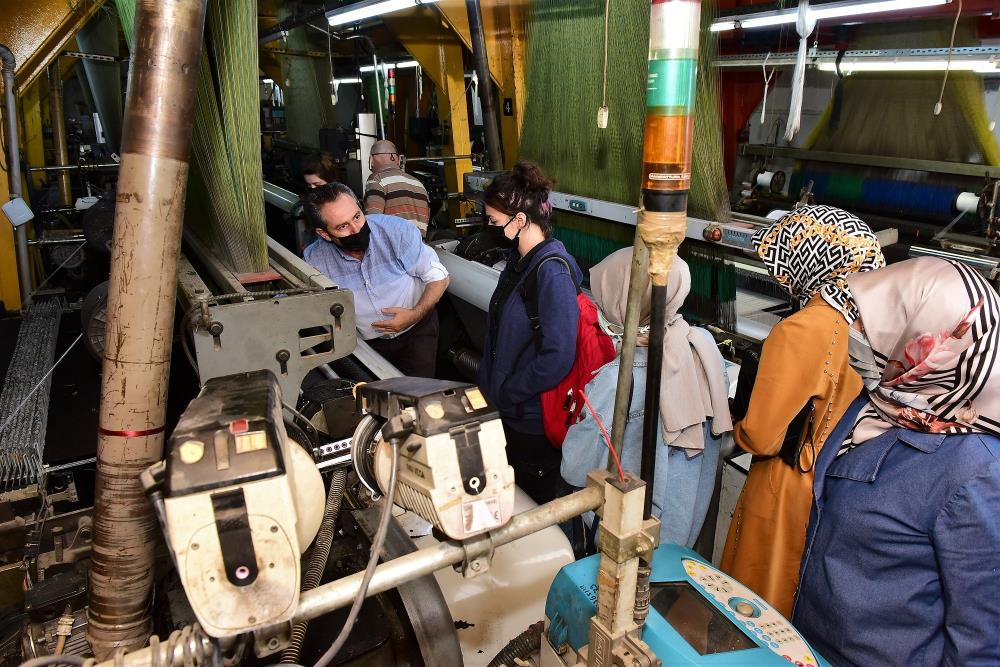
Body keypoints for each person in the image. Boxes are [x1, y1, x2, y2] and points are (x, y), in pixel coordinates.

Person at [793, 257, 1000, 665]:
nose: (855, 331)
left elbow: (982, 642)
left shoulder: (976, 472)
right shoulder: (880, 404)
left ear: (932, 344)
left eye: (873, 324)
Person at [719, 204, 885, 617]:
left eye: (786, 262)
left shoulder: (803, 328)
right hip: (836, 480)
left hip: (788, 485)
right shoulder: (870, 325)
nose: (783, 277)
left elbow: (761, 436)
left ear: (812, 261)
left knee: (758, 601)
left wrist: (732, 427)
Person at [561, 249, 734, 547]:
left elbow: (574, 467)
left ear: (624, 303)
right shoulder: (704, 345)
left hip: (629, 539)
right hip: (684, 532)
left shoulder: (616, 380)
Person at [477, 161, 581, 506]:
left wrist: (509, 392)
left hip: (531, 421)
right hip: (508, 409)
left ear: (519, 220)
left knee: (530, 510)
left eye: (494, 222)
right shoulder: (518, 262)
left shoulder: (551, 273)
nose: (489, 228)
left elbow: (558, 356)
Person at [303, 182, 449, 377]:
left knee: (421, 390)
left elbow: (439, 278)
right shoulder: (315, 260)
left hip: (417, 331)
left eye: (357, 217)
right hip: (367, 346)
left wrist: (414, 314)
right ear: (324, 234)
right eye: (343, 226)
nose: (356, 229)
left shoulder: (396, 231)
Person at [364, 140, 431, 237]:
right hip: (419, 245)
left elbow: (372, 222)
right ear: (399, 159)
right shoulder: (419, 185)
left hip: (391, 245)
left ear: (371, 159)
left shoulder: (377, 180)